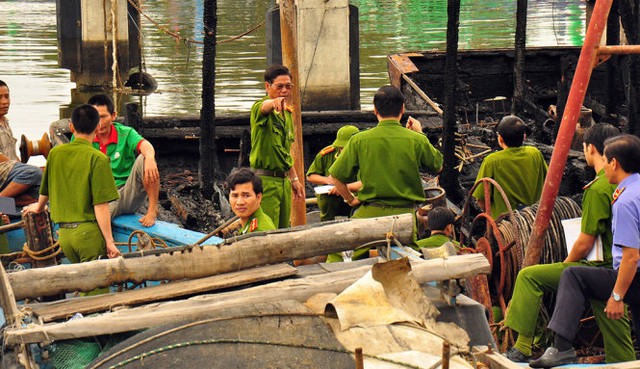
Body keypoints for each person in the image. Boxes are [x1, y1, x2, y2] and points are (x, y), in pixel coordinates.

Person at [503, 124, 634, 364]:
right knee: (616, 330)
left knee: (529, 276)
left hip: (597, 268)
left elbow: (585, 242)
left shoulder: (598, 188)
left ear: (590, 148)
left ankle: (523, 346)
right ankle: (624, 361)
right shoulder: (626, 183)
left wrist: (567, 267)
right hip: (619, 271)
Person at [329, 85, 443, 261]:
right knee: (410, 259)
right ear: (402, 109)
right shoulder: (417, 140)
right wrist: (421, 134)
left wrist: (351, 200)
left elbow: (336, 177)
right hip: (403, 216)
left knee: (339, 255)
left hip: (368, 214)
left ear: (375, 110)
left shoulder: (359, 140)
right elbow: (438, 166)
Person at [23, 104, 120, 295]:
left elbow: (46, 191)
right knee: (96, 299)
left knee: (83, 288)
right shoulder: (98, 159)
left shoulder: (55, 154)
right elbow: (100, 206)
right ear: (97, 126)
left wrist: (38, 207)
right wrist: (109, 241)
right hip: (88, 237)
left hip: (65, 237)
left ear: (72, 127)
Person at [87, 94, 160, 227]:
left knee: (145, 159)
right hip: (100, 196)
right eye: (95, 117)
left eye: (103, 117)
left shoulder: (125, 133)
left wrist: (149, 158)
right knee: (94, 221)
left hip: (126, 192)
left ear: (113, 115)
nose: (99, 122)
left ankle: (152, 210)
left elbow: (145, 145)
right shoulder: (84, 136)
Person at [249, 65, 304, 229]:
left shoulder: (287, 114)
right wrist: (273, 103)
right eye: (279, 86)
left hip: (283, 181)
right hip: (265, 181)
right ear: (267, 86)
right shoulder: (260, 108)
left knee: (283, 230)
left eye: (288, 86)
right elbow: (263, 108)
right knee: (267, 230)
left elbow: (284, 151)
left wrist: (294, 179)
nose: (285, 91)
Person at [473, 115, 548, 219]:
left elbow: (480, 199)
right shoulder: (535, 153)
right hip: (534, 218)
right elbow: (548, 182)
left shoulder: (491, 161)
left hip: (506, 224)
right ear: (524, 137)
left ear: (500, 138)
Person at [0, 80, 43, 206]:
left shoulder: (5, 122)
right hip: (4, 170)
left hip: (10, 170)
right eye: (0, 98)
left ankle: (6, 209)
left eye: (7, 97)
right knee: (34, 173)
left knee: (42, 189)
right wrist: (24, 169)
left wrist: (21, 167)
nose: (5, 102)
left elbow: (11, 153)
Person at [306, 125, 362, 221]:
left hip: (355, 194)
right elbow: (310, 176)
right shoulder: (327, 154)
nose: (343, 150)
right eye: (340, 147)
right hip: (331, 195)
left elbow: (366, 182)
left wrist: (342, 188)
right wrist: (327, 180)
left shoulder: (364, 154)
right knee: (327, 201)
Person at [227, 167, 275, 234]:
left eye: (246, 195)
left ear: (258, 197)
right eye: (235, 196)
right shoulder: (252, 221)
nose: (240, 202)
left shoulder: (258, 231)